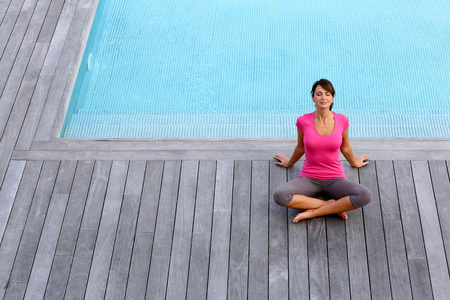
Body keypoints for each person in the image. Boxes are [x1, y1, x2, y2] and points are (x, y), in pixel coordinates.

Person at [273, 79, 372, 223]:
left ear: (332, 98)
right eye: (319, 94)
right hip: (309, 178)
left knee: (365, 195)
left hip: (335, 179)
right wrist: (289, 162)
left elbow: (345, 147)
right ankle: (332, 207)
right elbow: (300, 147)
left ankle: (312, 213)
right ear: (313, 97)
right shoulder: (303, 121)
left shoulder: (342, 120)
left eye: (327, 94)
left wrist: (355, 162)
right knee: (280, 195)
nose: (323, 97)